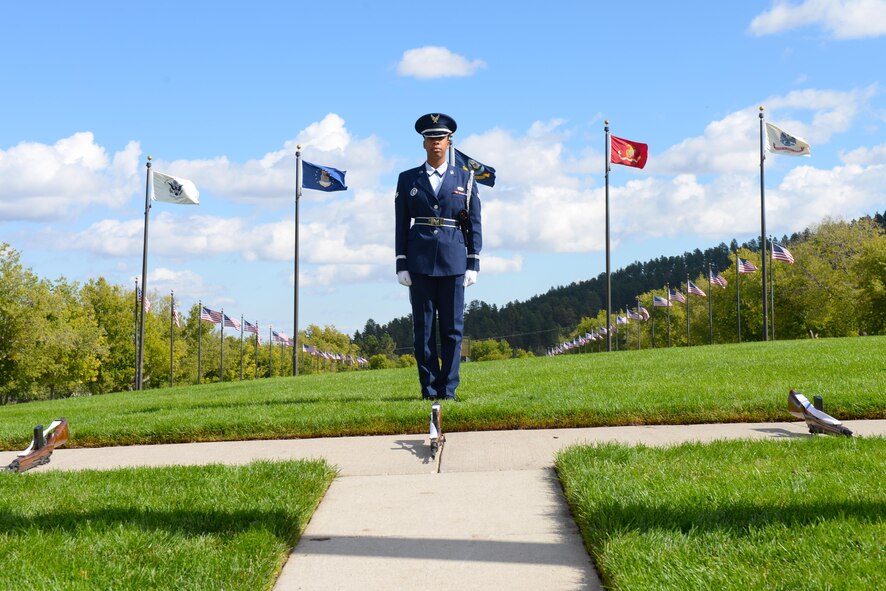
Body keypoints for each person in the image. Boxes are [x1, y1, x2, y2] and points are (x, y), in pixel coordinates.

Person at [395, 113, 482, 400]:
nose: (436, 144)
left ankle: (448, 390)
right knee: (423, 330)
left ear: (449, 141)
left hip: (454, 261)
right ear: (423, 143)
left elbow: (473, 223)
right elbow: (400, 223)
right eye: (430, 139)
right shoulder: (408, 179)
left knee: (452, 330)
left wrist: (473, 262)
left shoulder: (465, 179)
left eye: (440, 138)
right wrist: (401, 262)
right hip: (419, 263)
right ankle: (429, 389)